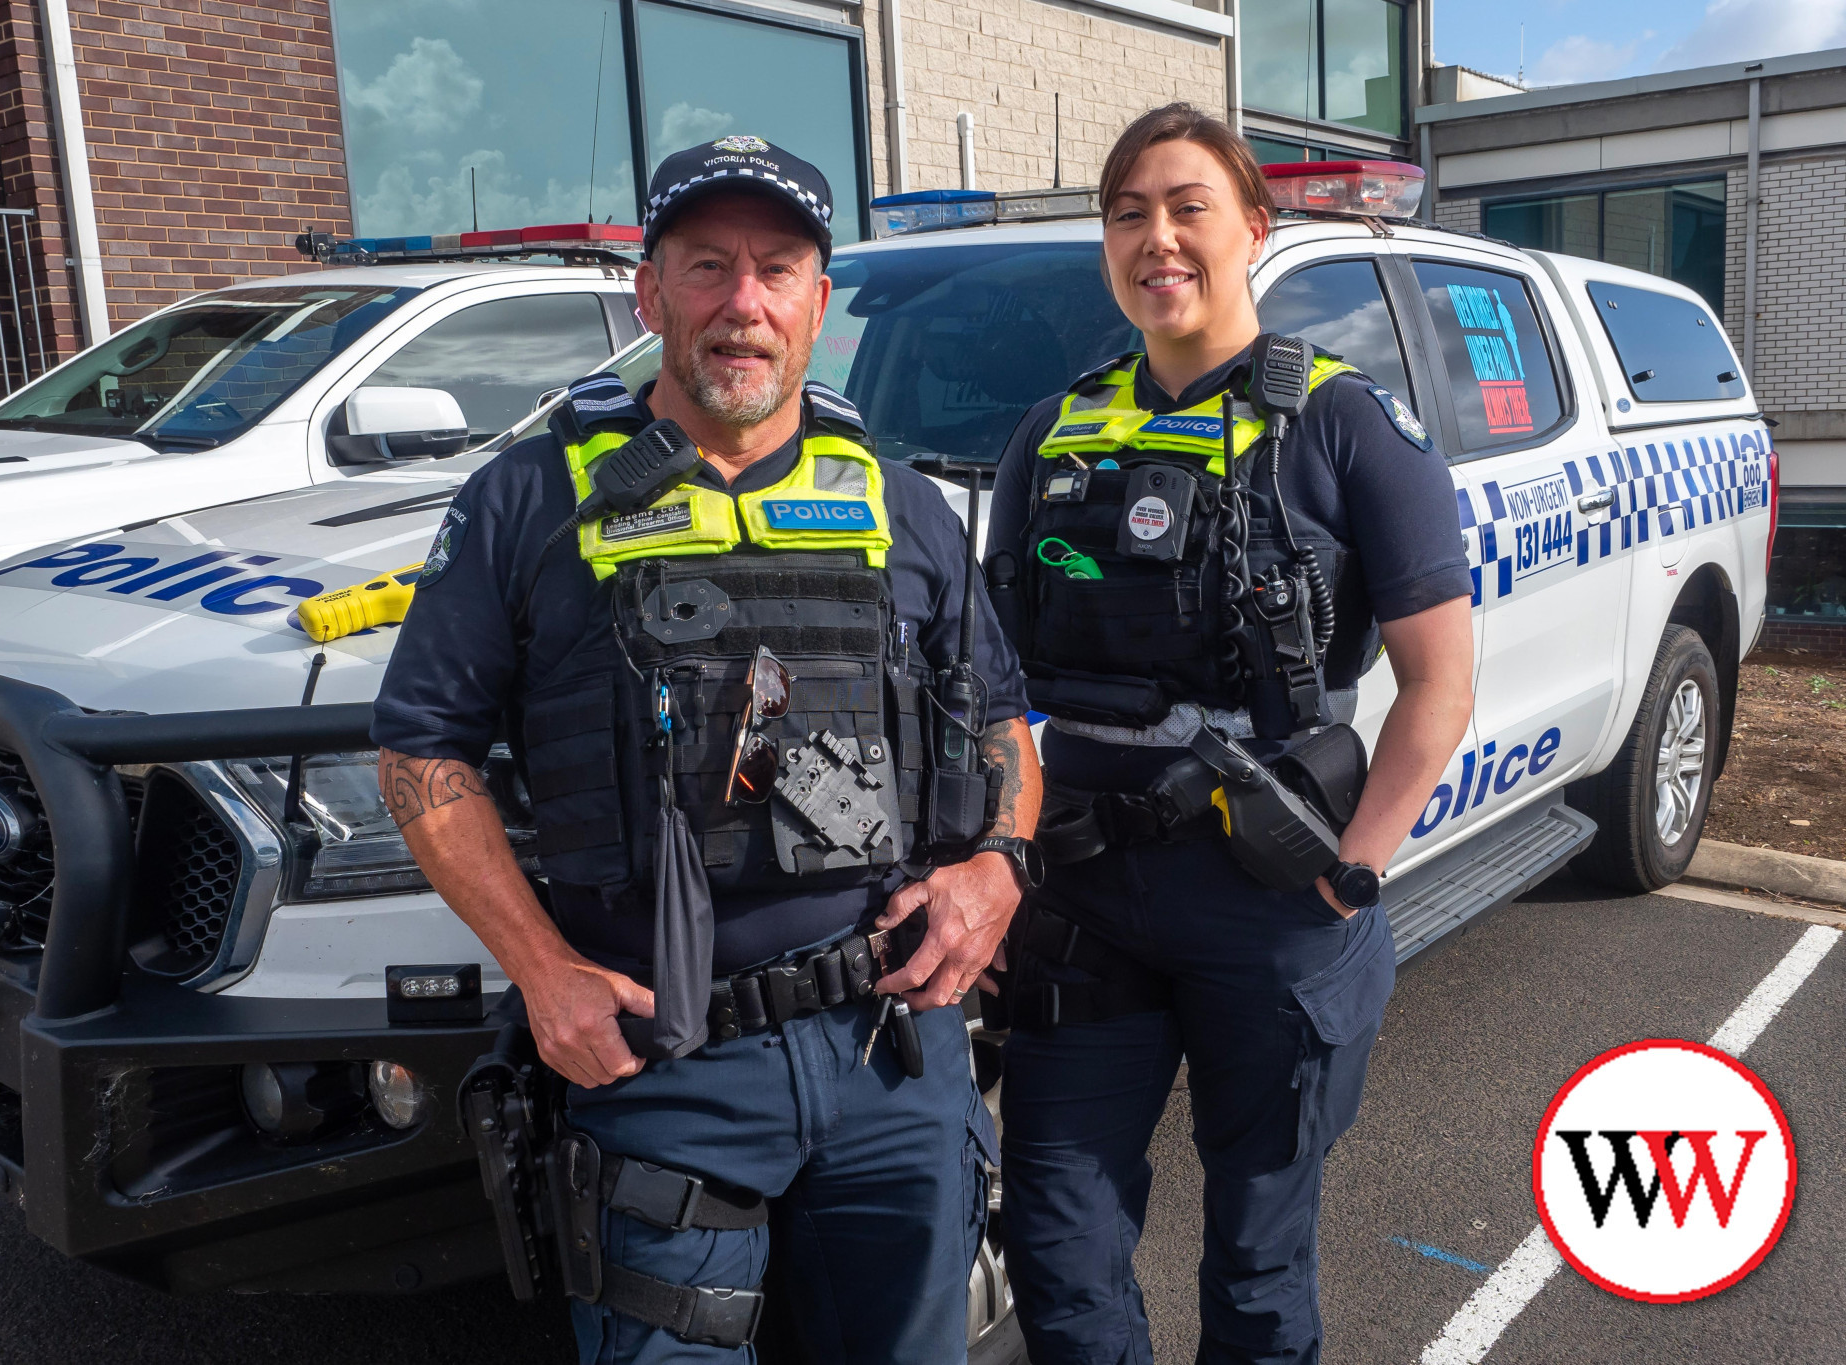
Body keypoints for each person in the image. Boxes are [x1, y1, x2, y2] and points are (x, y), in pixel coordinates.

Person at [372, 135, 1042, 1364]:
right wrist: (539, 971)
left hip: (888, 1057)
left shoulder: (901, 506)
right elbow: (422, 752)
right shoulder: (529, 500)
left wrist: (996, 867)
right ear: (648, 292)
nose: (743, 304)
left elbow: (998, 721)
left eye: (776, 270)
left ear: (816, 305)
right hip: (657, 1066)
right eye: (706, 268)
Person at [982, 105, 1475, 1364]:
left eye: (1186, 206)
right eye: (1127, 212)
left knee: (1257, 1259)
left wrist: (1352, 868)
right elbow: (985, 690)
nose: (1156, 237)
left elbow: (1436, 684)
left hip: (1271, 897)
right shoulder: (1050, 435)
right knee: (1055, 1237)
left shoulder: (1342, 424)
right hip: (1083, 894)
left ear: (1253, 226)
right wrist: (992, 857)